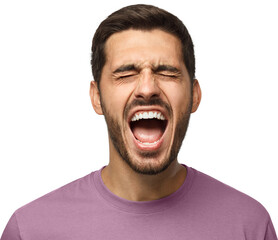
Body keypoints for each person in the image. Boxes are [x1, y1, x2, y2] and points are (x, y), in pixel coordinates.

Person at [1, 4, 277, 240]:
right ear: (97, 97)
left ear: (194, 96)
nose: (147, 88)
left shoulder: (249, 226)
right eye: (125, 73)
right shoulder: (32, 230)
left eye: (167, 72)